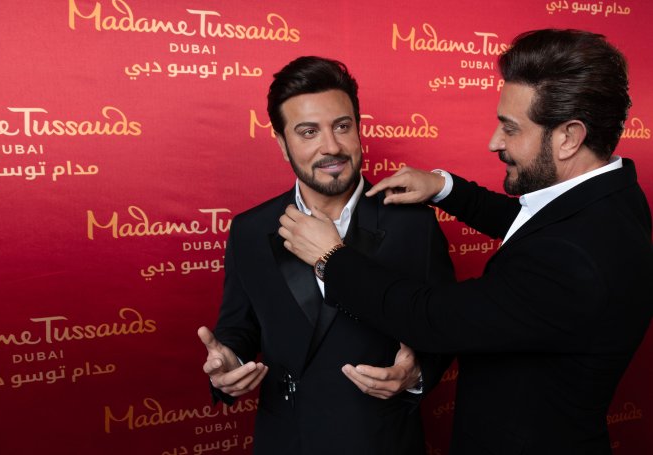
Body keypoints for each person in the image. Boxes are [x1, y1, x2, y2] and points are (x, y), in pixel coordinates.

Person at [279, 29, 653, 455]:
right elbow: (535, 223)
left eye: (510, 128)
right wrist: (446, 188)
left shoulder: (572, 259)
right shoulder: (613, 197)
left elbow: (430, 318)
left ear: (569, 137)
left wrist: (331, 258)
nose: (495, 142)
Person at [197, 56, 455, 454]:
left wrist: (416, 372)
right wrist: (229, 361)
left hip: (381, 439)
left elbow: (444, 325)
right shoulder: (250, 230)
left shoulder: (413, 224)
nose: (331, 146)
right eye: (308, 132)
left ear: (358, 129)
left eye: (342, 126)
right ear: (283, 144)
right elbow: (240, 326)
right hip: (288, 439)